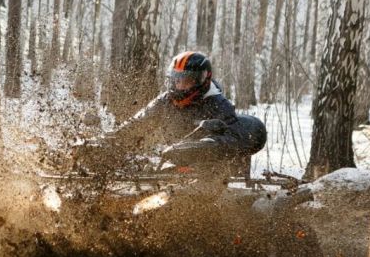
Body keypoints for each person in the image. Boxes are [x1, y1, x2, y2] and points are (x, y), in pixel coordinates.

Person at [80, 51, 266, 180]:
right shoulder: (165, 101)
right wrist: (103, 143)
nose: (180, 86)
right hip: (171, 170)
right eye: (177, 80)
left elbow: (232, 140)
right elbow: (136, 125)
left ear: (202, 80)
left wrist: (200, 147)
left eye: (186, 81)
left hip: (210, 174)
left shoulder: (218, 105)